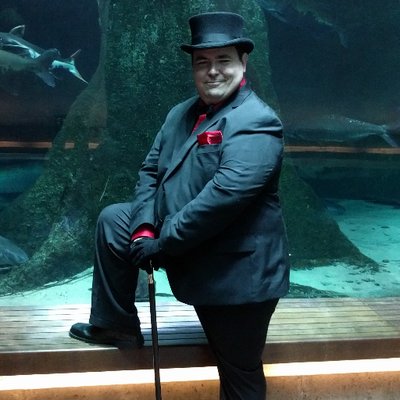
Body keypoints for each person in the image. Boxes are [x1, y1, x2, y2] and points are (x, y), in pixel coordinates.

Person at [70, 11, 290, 400]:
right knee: (114, 220)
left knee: (239, 374)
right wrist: (143, 229)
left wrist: (162, 242)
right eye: (202, 62)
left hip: (236, 272)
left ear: (243, 62)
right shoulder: (180, 114)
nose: (212, 71)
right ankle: (116, 324)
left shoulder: (257, 121)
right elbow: (149, 172)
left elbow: (223, 198)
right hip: (187, 244)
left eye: (223, 60)